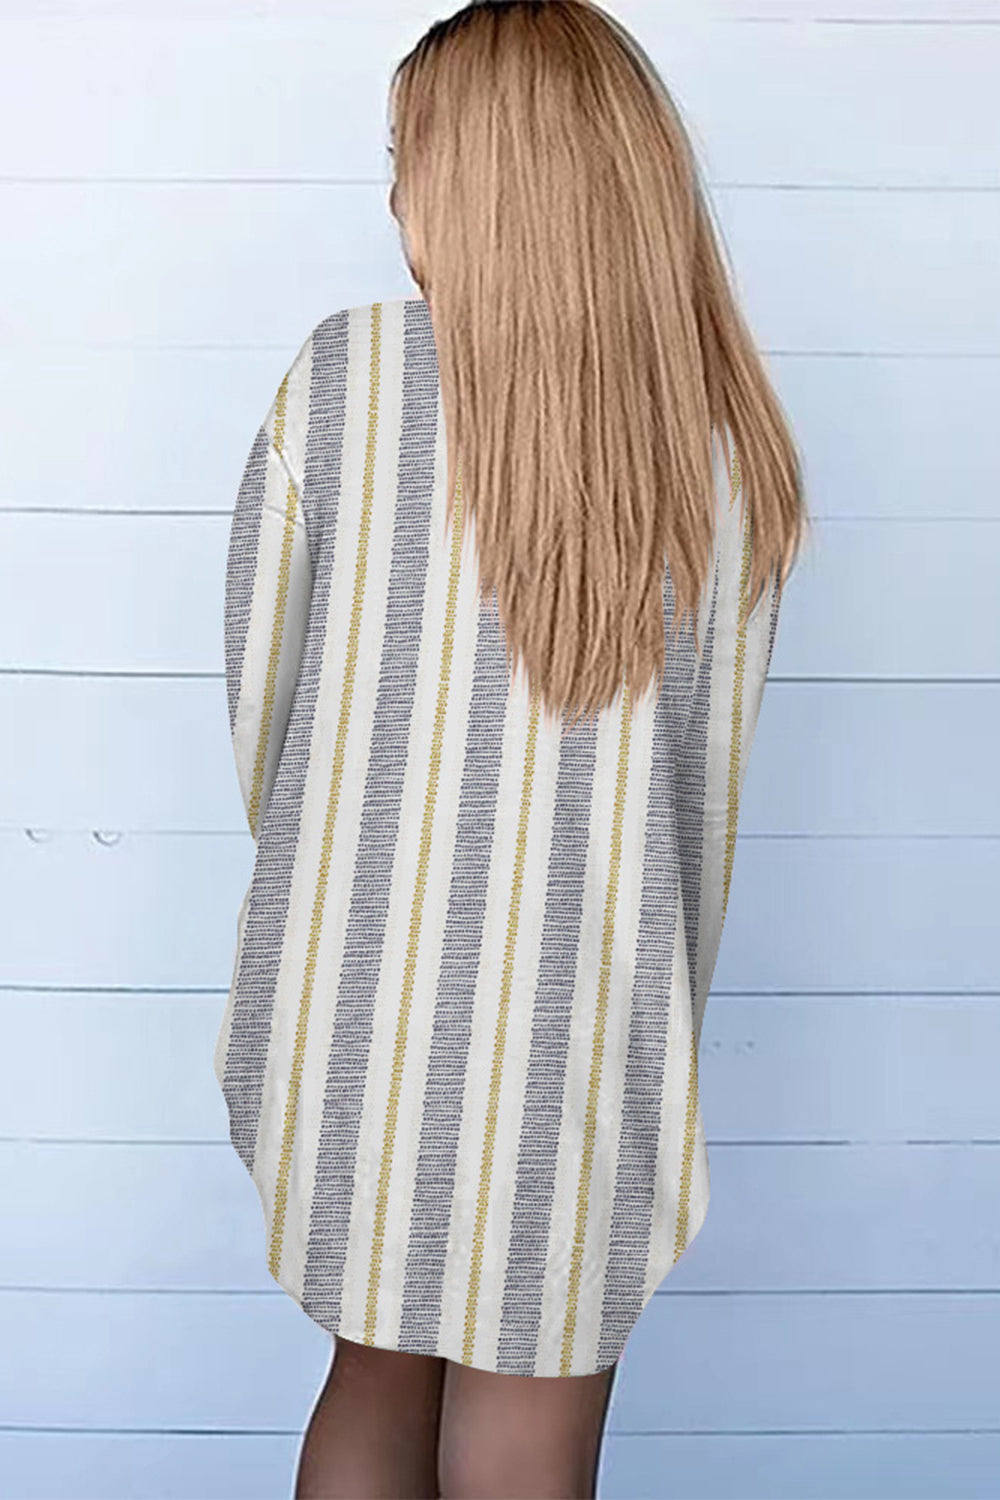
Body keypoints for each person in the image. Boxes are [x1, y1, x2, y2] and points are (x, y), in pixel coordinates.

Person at [215, 3, 810, 1496]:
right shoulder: (720, 443)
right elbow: (702, 808)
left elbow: (266, 719)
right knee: (529, 1417)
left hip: (352, 1004)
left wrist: (345, 890)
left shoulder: (342, 380)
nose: (391, 195)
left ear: (484, 182)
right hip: (577, 1021)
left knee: (370, 1368)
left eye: (407, 156)